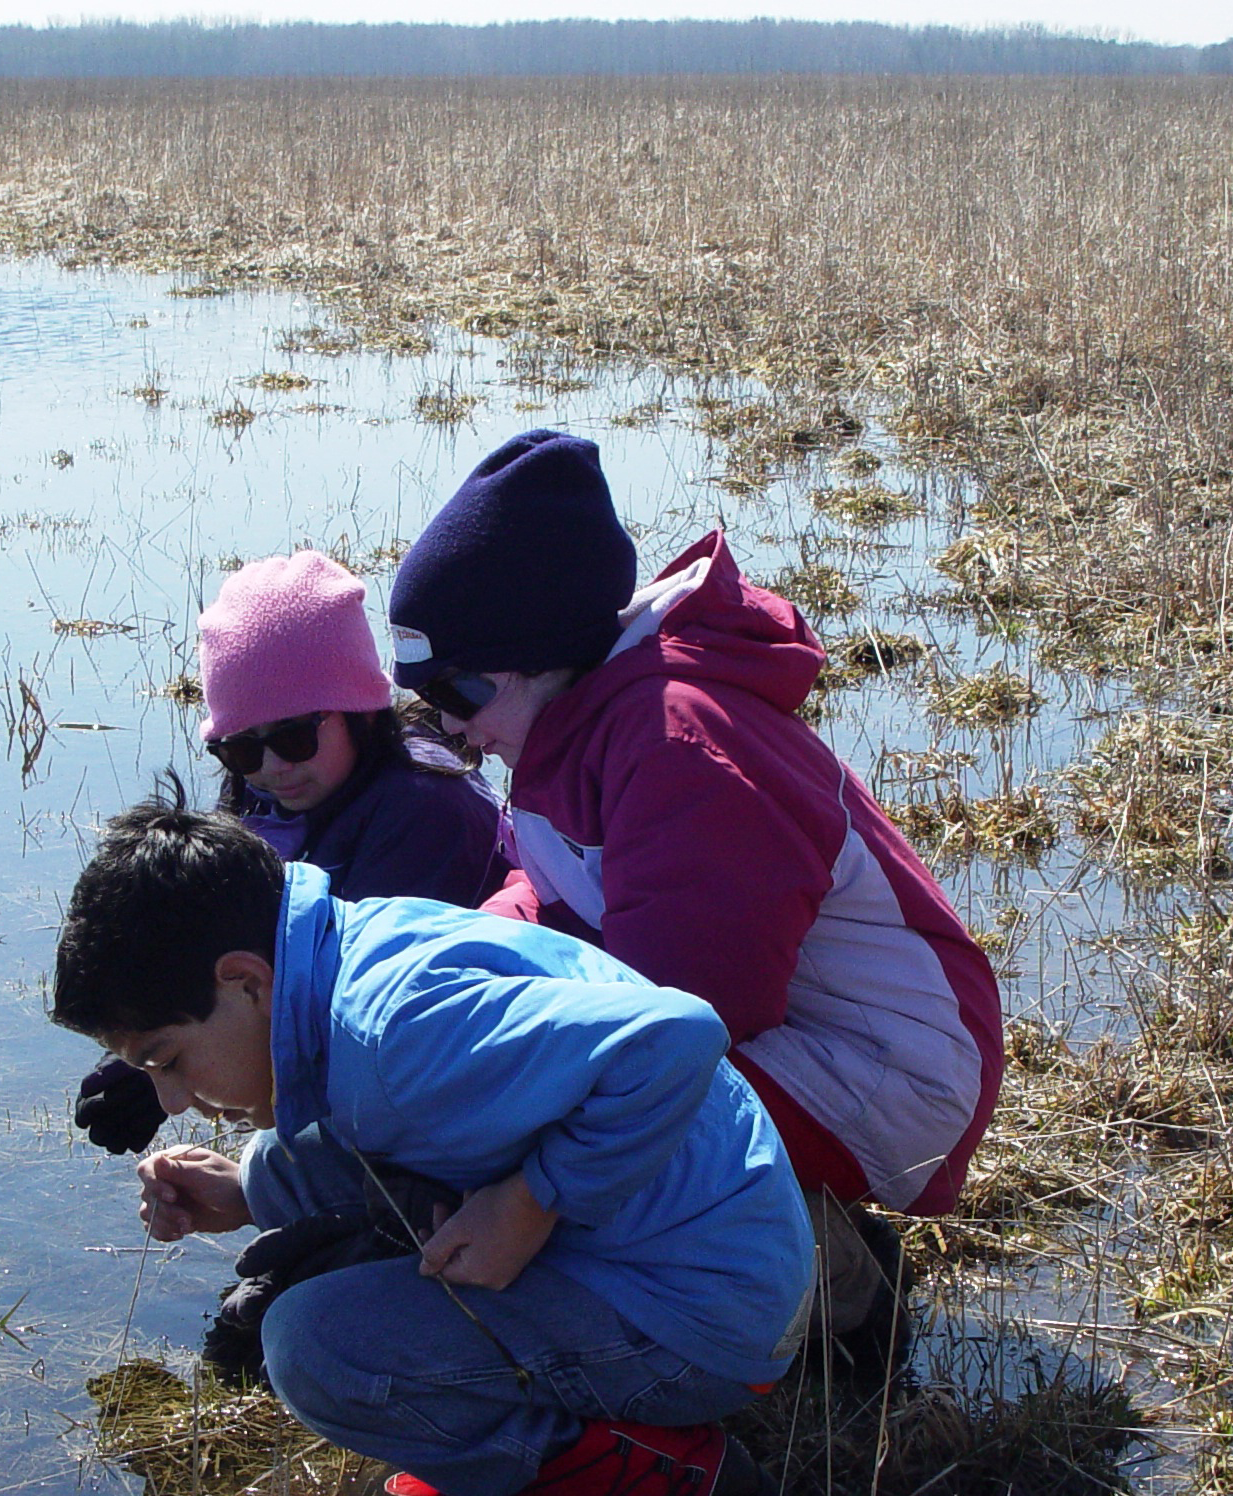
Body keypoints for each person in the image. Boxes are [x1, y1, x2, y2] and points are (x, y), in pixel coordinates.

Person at [50, 795, 813, 1496]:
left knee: (318, 1348)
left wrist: (533, 1199)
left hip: (704, 1322)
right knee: (363, 1275)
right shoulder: (344, 959)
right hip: (709, 1263)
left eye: (167, 1059)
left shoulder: (390, 1035)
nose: (173, 1102)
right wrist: (249, 1186)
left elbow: (674, 1036)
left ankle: (668, 1487)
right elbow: (375, 1130)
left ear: (245, 981)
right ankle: (499, 1439)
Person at [386, 431, 1004, 1350]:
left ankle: (826, 1288)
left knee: (547, 1111)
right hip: (795, 1037)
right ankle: (758, 1235)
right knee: (505, 1075)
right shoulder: (571, 725)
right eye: (425, 696)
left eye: (459, 690)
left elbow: (692, 1021)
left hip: (888, 1068)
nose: (450, 727)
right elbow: (552, 897)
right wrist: (444, 962)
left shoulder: (677, 747)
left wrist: (534, 1188)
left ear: (543, 651)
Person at [72, 550, 506, 1160]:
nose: (273, 767)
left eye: (296, 737)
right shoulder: (266, 792)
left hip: (452, 1079)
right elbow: (210, 937)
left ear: (358, 709)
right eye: (242, 750)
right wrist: (153, 1046)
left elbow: (334, 1014)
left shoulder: (429, 809)